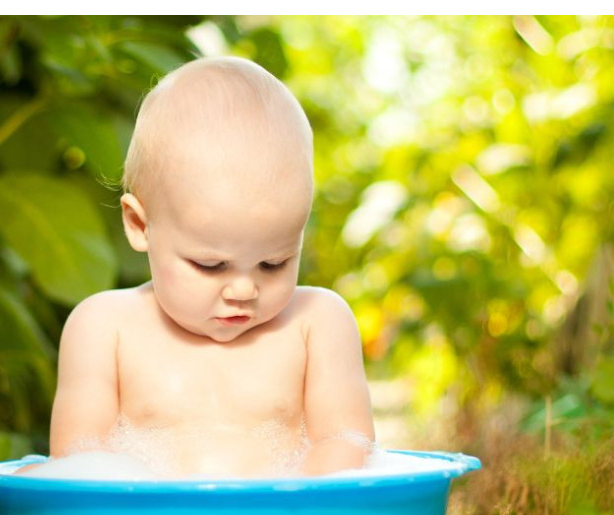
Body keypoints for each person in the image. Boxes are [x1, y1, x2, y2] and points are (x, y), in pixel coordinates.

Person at [48, 56, 375, 479]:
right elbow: (78, 462)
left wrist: (306, 499)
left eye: (273, 262)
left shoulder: (317, 324)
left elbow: (346, 444)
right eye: (210, 264)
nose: (243, 289)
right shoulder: (104, 329)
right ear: (140, 225)